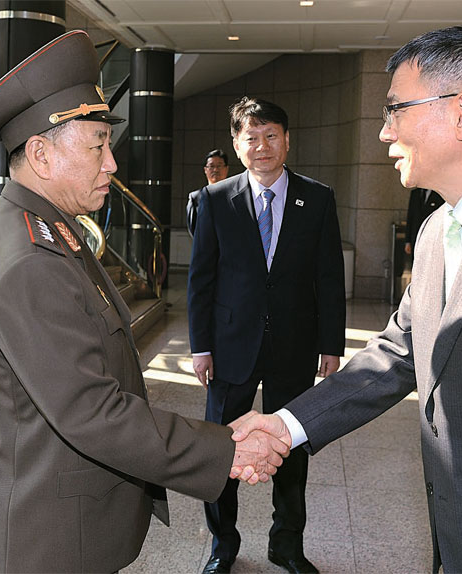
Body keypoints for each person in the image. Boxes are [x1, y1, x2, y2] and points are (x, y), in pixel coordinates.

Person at [231, 26, 462, 574]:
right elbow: (396, 353)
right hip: (455, 532)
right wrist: (286, 425)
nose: (383, 132)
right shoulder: (437, 230)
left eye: (396, 109)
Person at [0, 31, 288, 574]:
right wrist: (225, 449)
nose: (112, 165)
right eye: (98, 146)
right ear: (40, 153)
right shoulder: (32, 259)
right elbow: (91, 410)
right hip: (47, 537)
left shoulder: (50, 231)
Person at [187, 97, 346, 574]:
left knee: (293, 449)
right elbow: (202, 278)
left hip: (294, 346)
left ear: (287, 140)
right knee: (220, 450)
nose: (262, 147)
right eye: (250, 138)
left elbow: (329, 278)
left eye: (271, 136)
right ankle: (223, 543)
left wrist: (331, 344)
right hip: (230, 346)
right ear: (237, 145)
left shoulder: (317, 199)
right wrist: (201, 346)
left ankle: (287, 545)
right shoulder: (214, 200)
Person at [186, 149, 229, 236]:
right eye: (211, 166)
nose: (215, 170)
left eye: (219, 166)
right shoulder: (195, 198)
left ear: (226, 169)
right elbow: (193, 229)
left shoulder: (236, 196)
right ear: (205, 170)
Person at [404, 188, 444, 257]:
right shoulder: (415, 193)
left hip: (431, 238)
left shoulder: (438, 194)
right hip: (415, 237)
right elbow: (410, 216)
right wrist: (408, 241)